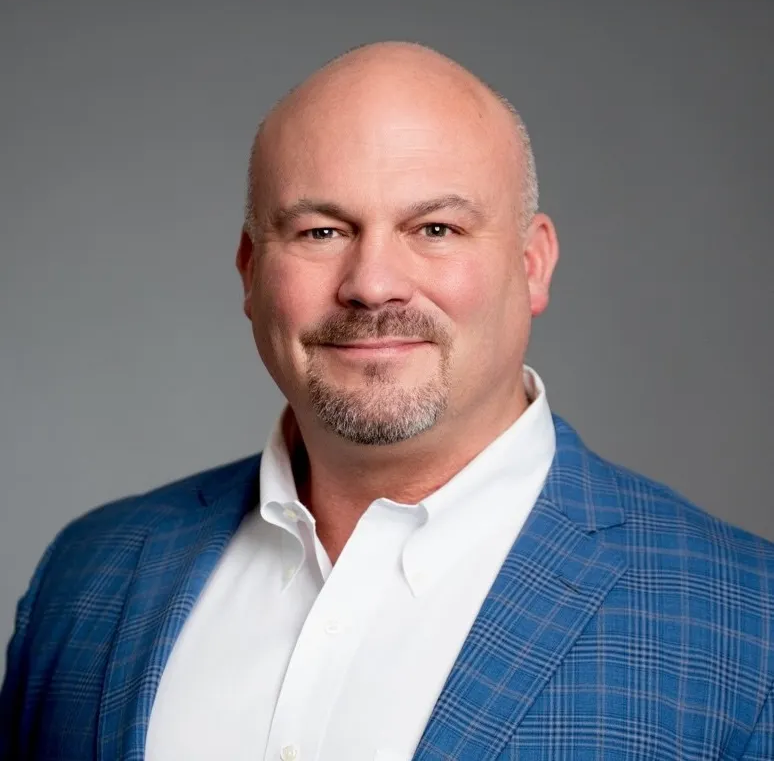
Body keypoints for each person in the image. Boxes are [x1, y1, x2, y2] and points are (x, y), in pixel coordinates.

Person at [1, 41, 772, 761]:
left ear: (533, 265)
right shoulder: (89, 576)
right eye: (321, 231)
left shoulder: (748, 627)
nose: (371, 283)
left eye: (435, 227)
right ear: (248, 270)